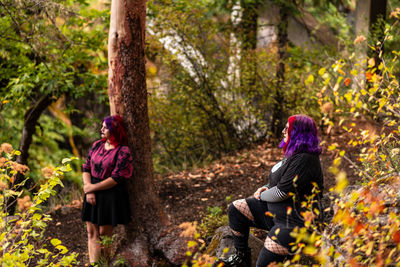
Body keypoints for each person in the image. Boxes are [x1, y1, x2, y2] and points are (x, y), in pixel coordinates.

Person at [218, 114, 324, 267]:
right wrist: (266, 187)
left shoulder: (305, 159)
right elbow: (280, 181)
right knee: (236, 209)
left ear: (297, 133)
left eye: (287, 129)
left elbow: (281, 192)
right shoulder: (294, 156)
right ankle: (242, 258)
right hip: (274, 214)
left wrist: (262, 195)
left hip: (293, 224)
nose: (283, 131)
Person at [81, 115, 133, 266]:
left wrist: (92, 188)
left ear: (114, 130)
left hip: (110, 194)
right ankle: (94, 264)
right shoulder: (97, 145)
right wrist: (89, 190)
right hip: (91, 190)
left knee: (104, 234)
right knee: (91, 232)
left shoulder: (123, 151)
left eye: (105, 127)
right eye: (102, 126)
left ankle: (104, 263)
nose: (101, 129)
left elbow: (117, 177)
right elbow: (86, 167)